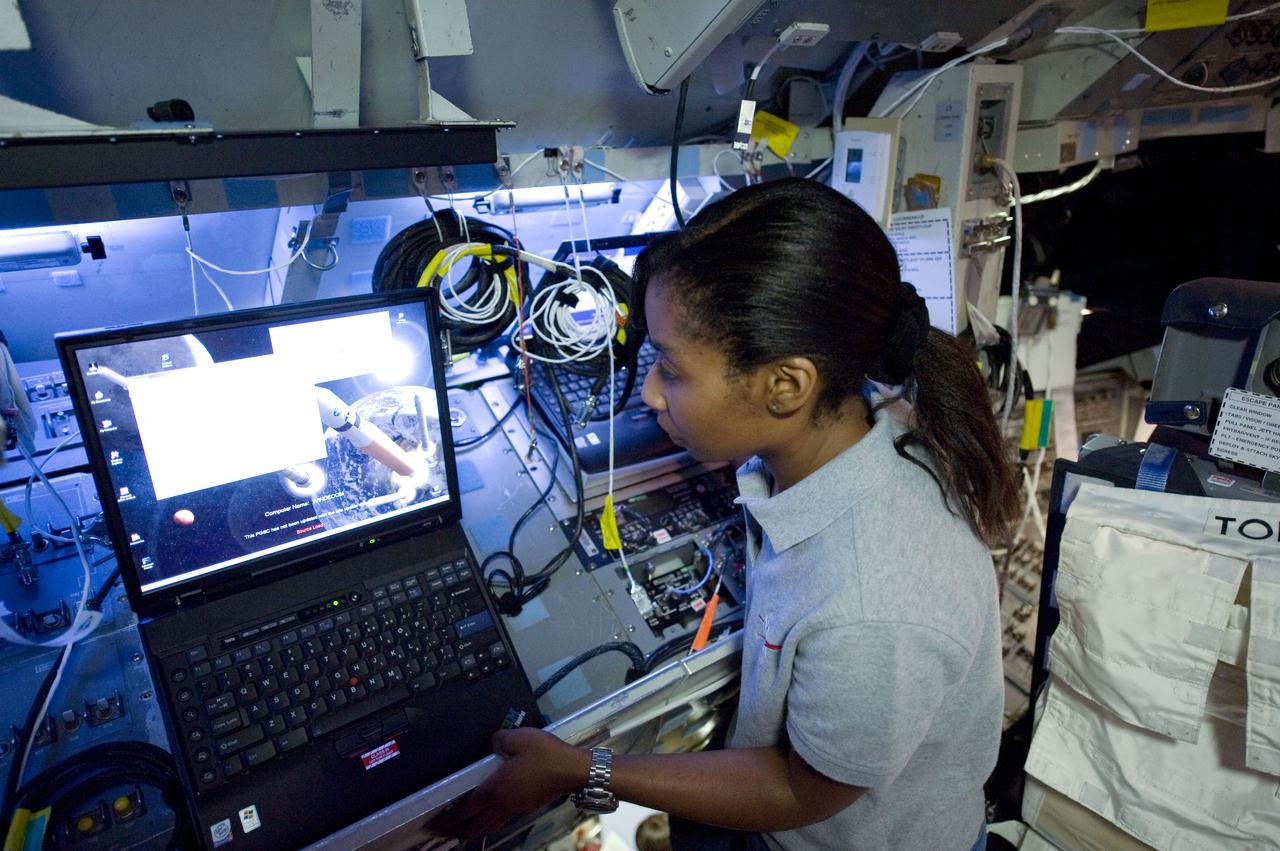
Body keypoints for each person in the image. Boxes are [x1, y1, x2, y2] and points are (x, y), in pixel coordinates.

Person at [430, 178, 1018, 850]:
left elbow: (799, 791)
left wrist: (582, 767)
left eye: (672, 371)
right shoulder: (866, 420)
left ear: (786, 386)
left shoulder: (874, 601)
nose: (648, 391)